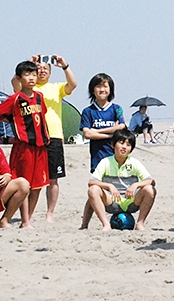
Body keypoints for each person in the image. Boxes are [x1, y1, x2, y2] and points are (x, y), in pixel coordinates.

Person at [13, 54, 77, 223]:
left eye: (45, 69)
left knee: (53, 179)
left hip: (54, 136)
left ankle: (50, 213)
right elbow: (15, 83)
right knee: (32, 180)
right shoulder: (29, 88)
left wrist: (64, 65)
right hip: (34, 139)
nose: (42, 71)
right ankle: (28, 215)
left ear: (50, 71)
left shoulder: (56, 88)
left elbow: (73, 85)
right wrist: (29, 64)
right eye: (38, 68)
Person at [0, 61, 50, 227]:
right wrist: (11, 119)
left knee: (38, 186)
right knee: (24, 183)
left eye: (33, 74)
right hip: (24, 147)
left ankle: (27, 219)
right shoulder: (15, 98)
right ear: (19, 78)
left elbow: (41, 116)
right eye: (27, 75)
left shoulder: (39, 97)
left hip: (41, 146)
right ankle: (21, 220)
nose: (31, 78)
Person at [79, 73, 126, 229]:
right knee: (96, 189)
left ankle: (85, 224)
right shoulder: (88, 111)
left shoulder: (116, 109)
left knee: (105, 191)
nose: (102, 89)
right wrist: (111, 131)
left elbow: (122, 129)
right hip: (98, 157)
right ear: (93, 90)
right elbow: (87, 133)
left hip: (116, 157)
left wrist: (97, 132)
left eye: (105, 86)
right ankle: (88, 224)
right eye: (98, 86)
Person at [87, 129, 156, 231]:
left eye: (128, 145)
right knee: (93, 190)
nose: (124, 147)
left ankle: (140, 224)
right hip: (112, 201)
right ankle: (106, 225)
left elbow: (151, 181)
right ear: (113, 145)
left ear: (131, 149)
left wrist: (136, 185)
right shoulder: (106, 162)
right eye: (121, 143)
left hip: (131, 201)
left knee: (150, 189)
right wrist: (109, 186)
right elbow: (91, 182)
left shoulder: (134, 162)